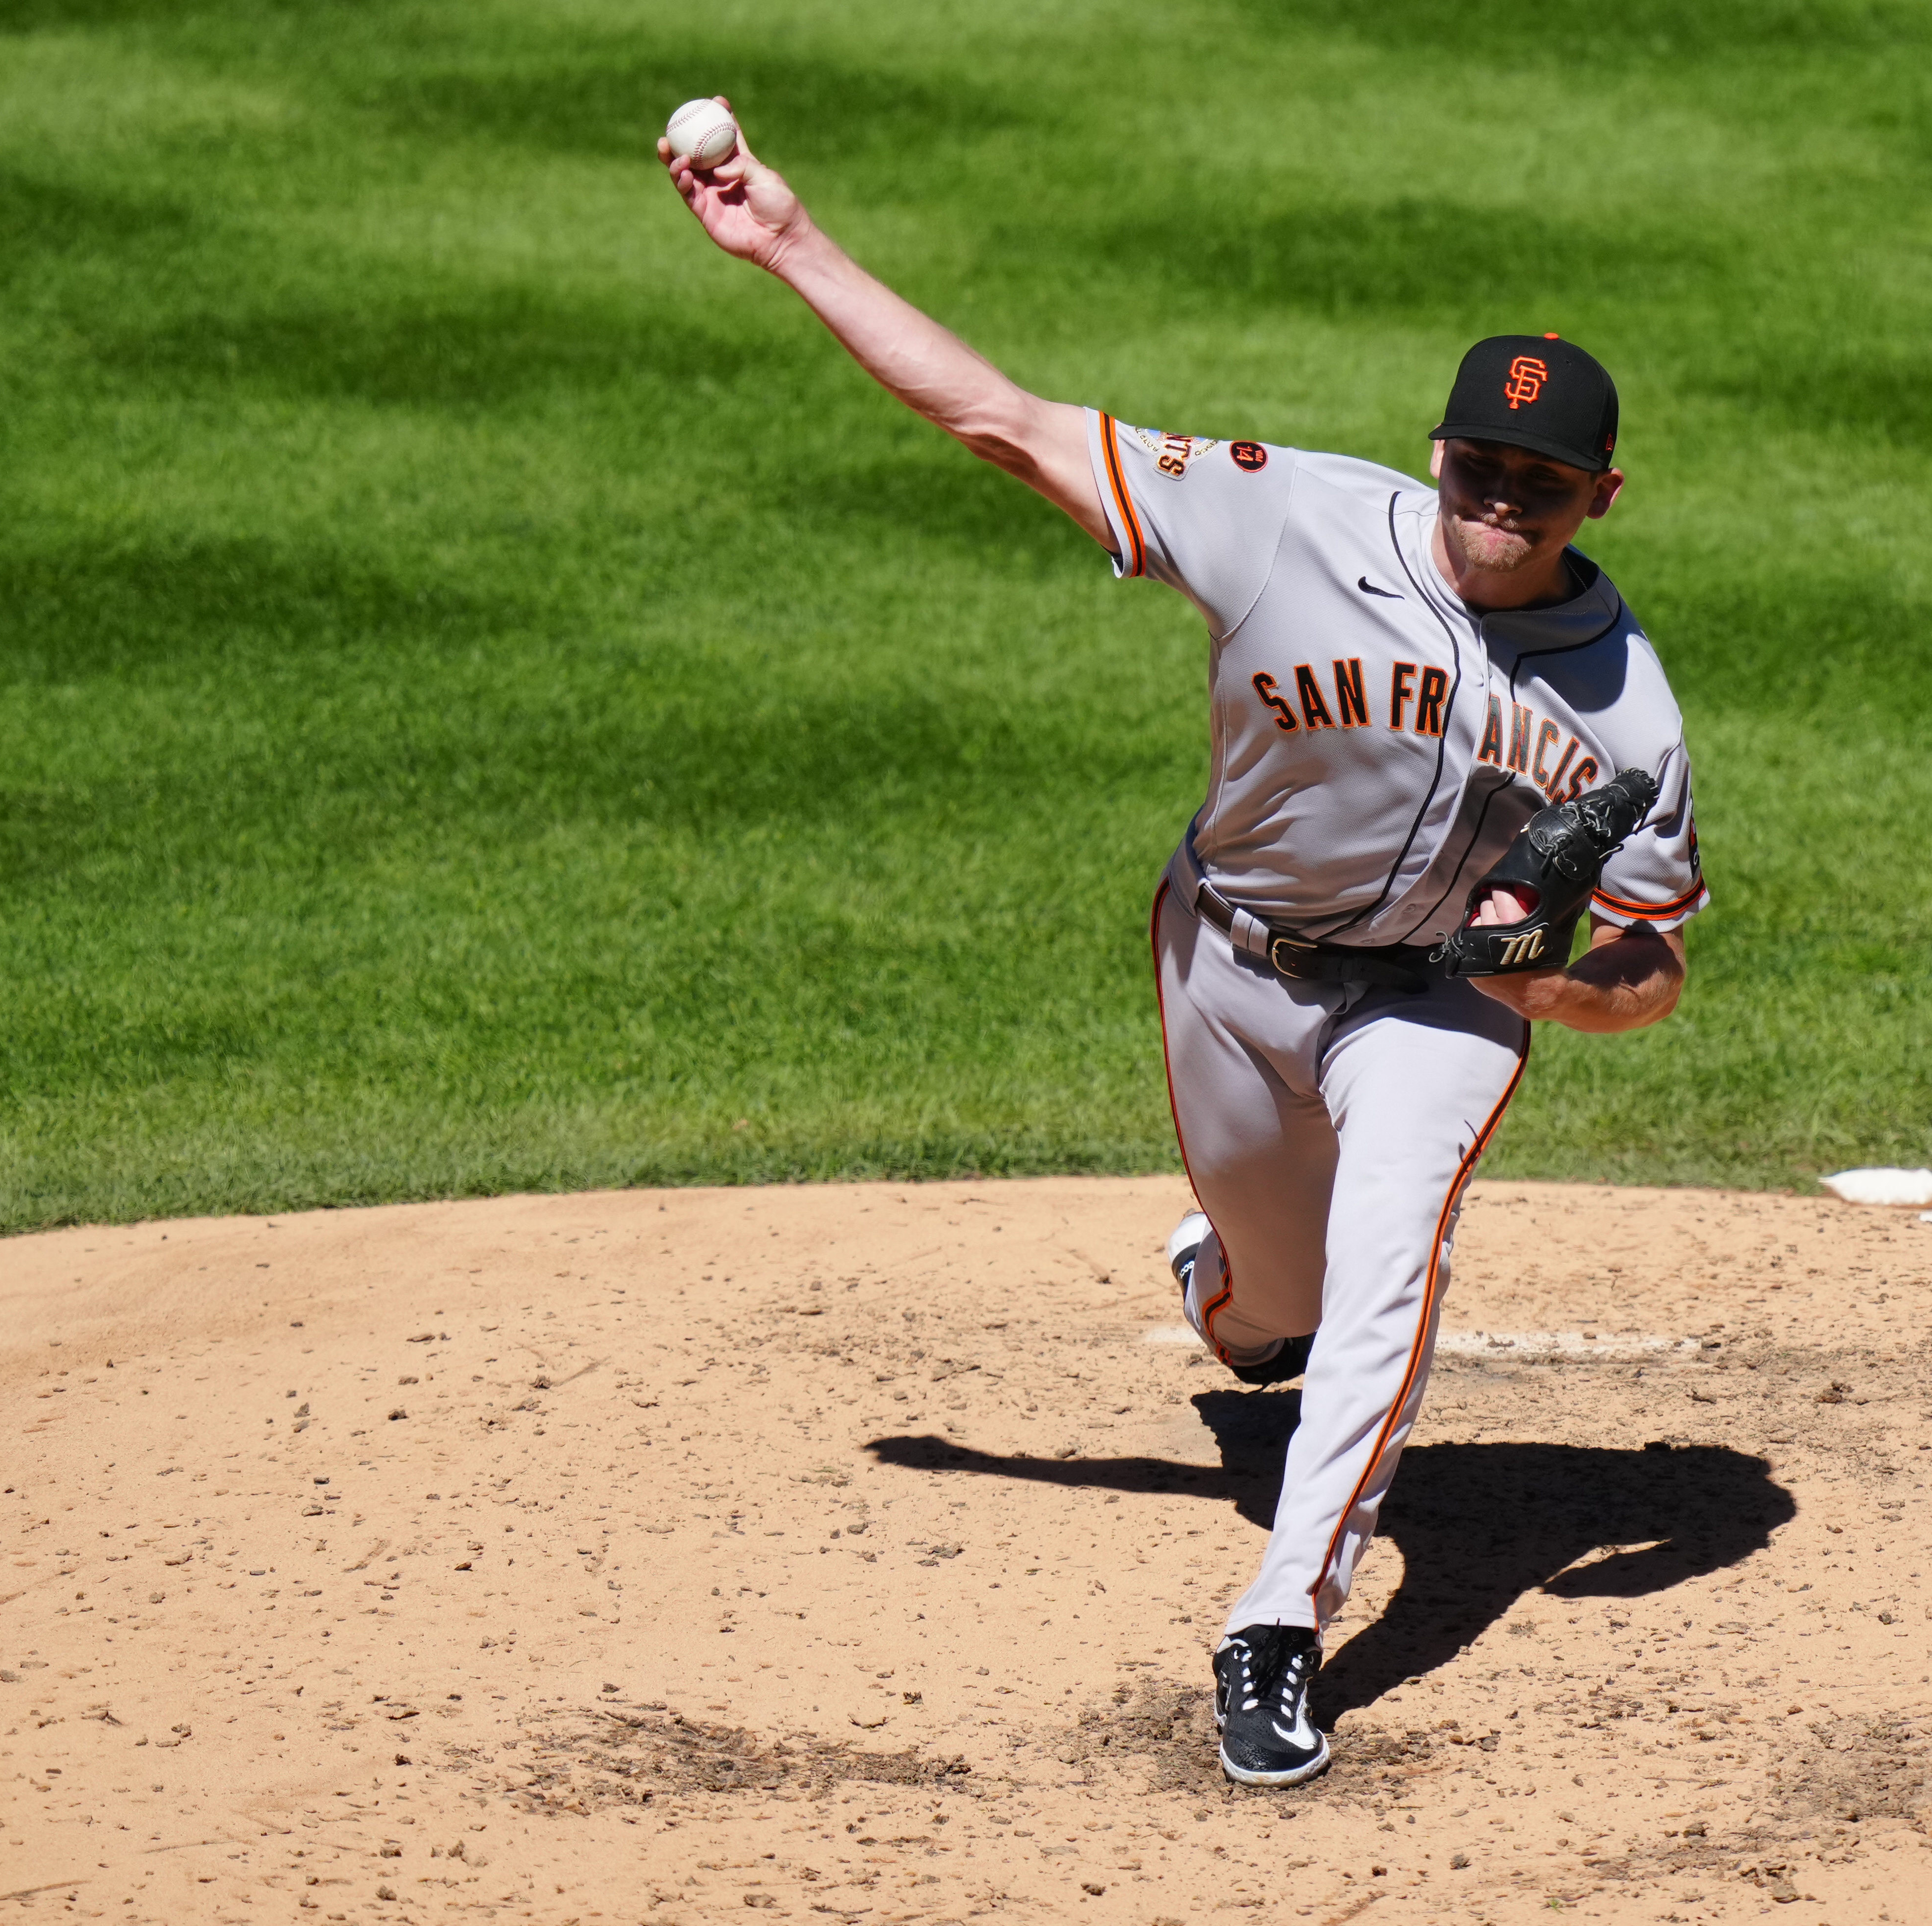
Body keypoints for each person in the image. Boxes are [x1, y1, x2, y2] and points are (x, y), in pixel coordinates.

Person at [663, 106, 1706, 1787]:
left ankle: (1279, 1622)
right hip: (1227, 962)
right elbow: (1000, 422)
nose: (1504, 499)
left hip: (1433, 1008)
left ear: (1601, 493)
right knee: (1273, 1318)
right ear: (1437, 454)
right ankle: (1229, 1292)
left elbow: (1651, 965)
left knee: (1388, 1281)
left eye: (1544, 480)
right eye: (1479, 464)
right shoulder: (1286, 519)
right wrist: (785, 240)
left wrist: (1548, 982)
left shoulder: (1630, 699)